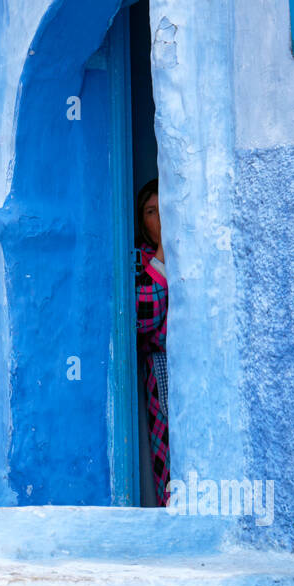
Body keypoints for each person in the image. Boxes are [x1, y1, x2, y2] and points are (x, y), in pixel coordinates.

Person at [135, 179, 170, 505]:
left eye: (164, 208)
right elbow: (143, 318)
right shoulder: (140, 262)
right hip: (162, 375)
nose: (160, 217)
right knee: (168, 460)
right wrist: (162, 255)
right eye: (151, 211)